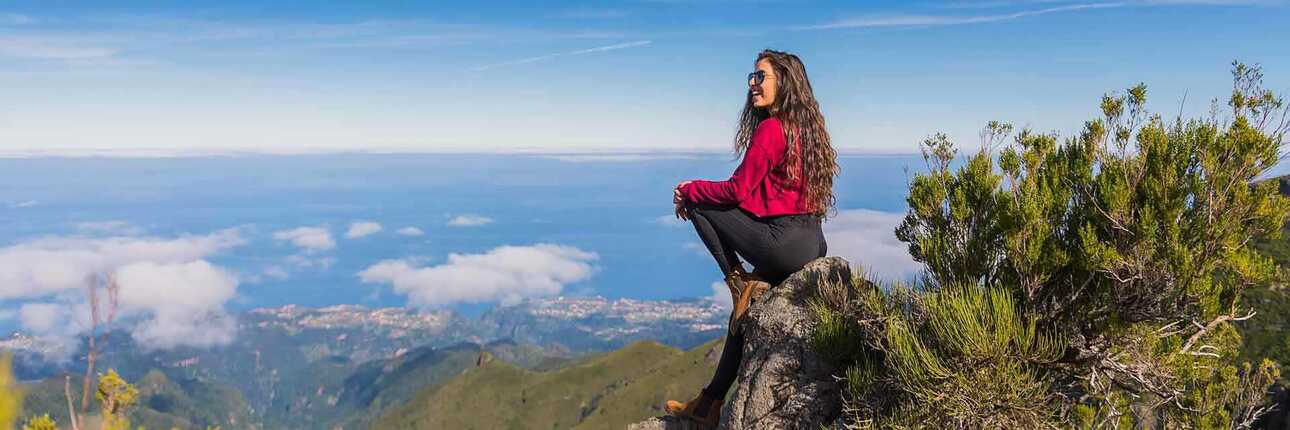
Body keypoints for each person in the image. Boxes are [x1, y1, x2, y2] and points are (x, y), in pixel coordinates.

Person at [665, 49, 838, 428]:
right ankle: (709, 403)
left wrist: (690, 189)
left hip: (782, 243)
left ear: (784, 83)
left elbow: (737, 191)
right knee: (743, 316)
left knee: (700, 203)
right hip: (812, 241)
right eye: (752, 76)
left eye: (762, 77)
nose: (752, 84)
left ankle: (735, 277)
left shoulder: (773, 128)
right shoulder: (806, 130)